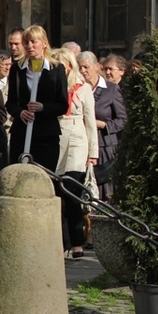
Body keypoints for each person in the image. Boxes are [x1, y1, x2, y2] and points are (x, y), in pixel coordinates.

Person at [50, 48, 98, 259]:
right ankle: (60, 242)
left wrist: (92, 152)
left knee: (72, 191)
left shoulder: (83, 88)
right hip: (56, 137)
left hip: (77, 140)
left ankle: (77, 241)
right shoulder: (51, 86)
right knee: (56, 193)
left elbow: (90, 121)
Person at [6, 25, 68, 170]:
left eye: (34, 42)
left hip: (46, 135)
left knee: (43, 177)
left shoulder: (57, 69)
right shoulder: (17, 69)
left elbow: (63, 105)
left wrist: (43, 107)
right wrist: (20, 112)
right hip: (21, 133)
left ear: (44, 43)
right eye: (26, 42)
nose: (30, 46)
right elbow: (10, 103)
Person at [77, 51, 127, 202]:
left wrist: (104, 125)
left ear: (97, 67)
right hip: (83, 145)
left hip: (104, 147)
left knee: (105, 190)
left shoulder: (110, 89)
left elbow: (122, 119)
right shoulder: (77, 88)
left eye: (86, 67)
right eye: (80, 68)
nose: (83, 71)